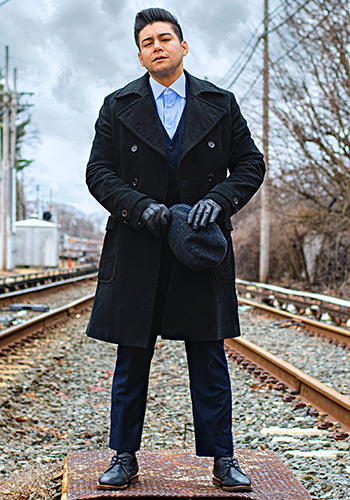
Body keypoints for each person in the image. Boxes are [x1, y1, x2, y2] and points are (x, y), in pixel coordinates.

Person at [85, 7, 265, 493]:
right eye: (147, 41)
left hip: (200, 246)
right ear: (140, 54)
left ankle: (223, 459)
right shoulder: (117, 105)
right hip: (140, 244)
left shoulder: (220, 103)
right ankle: (123, 456)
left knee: (209, 355)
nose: (157, 46)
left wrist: (218, 200)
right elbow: (99, 173)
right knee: (132, 357)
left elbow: (250, 164)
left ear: (184, 47)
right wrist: (140, 207)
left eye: (165, 38)